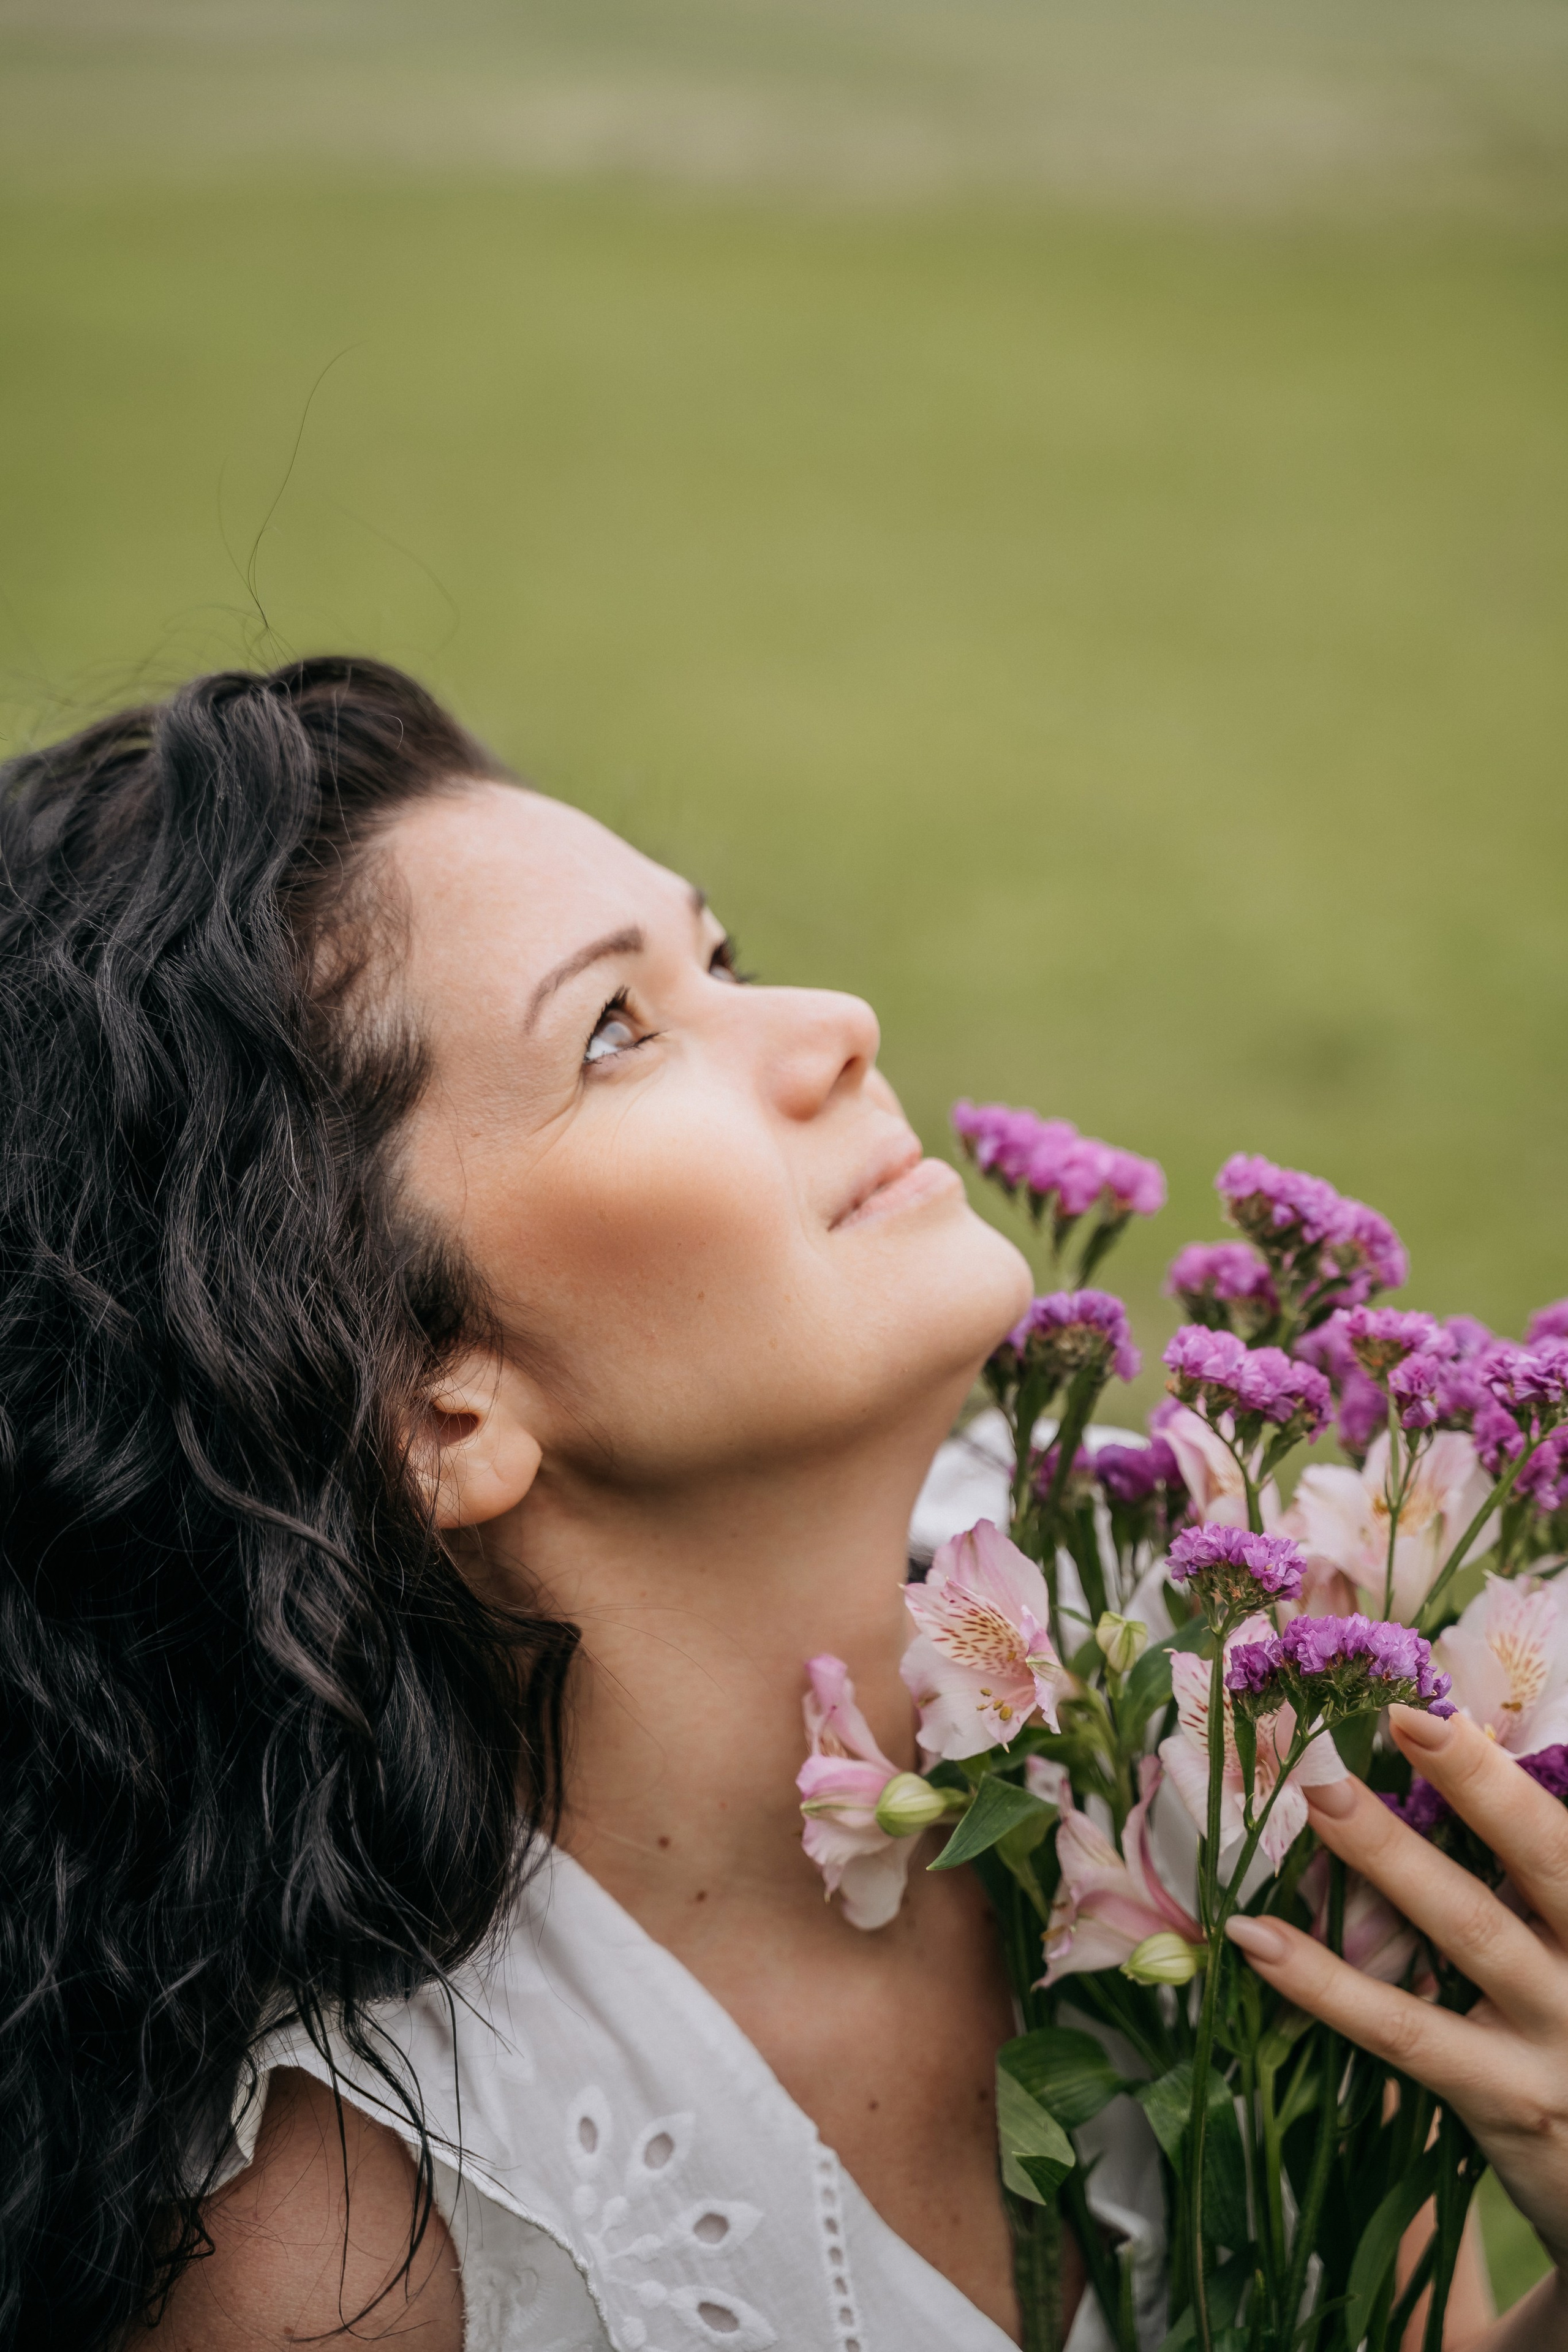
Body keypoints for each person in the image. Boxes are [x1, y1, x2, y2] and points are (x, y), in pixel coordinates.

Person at [0, 658, 1562, 2352]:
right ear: (435, 1403)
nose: (835, 1027)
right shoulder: (352, 2264)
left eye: (719, 955)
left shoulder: (1185, 1748)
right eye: (617, 1029)